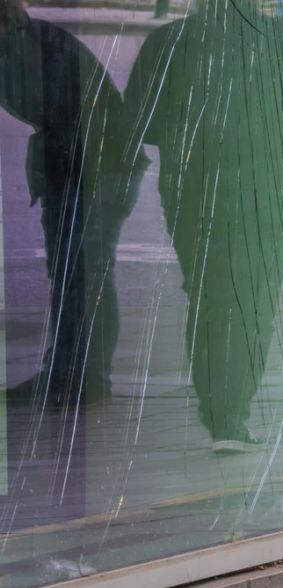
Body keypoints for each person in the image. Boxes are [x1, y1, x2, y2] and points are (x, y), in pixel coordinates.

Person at [124, 0, 283, 453]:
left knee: (210, 295)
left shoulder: (170, 42)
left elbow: (144, 123)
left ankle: (222, 410)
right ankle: (230, 410)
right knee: (253, 298)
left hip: (198, 191)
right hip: (272, 190)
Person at [0, 0, 146, 407]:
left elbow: (70, 121)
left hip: (99, 168)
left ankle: (82, 377)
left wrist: (57, 188)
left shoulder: (34, 49)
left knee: (82, 273)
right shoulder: (20, 46)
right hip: (86, 166)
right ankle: (70, 373)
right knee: (74, 273)